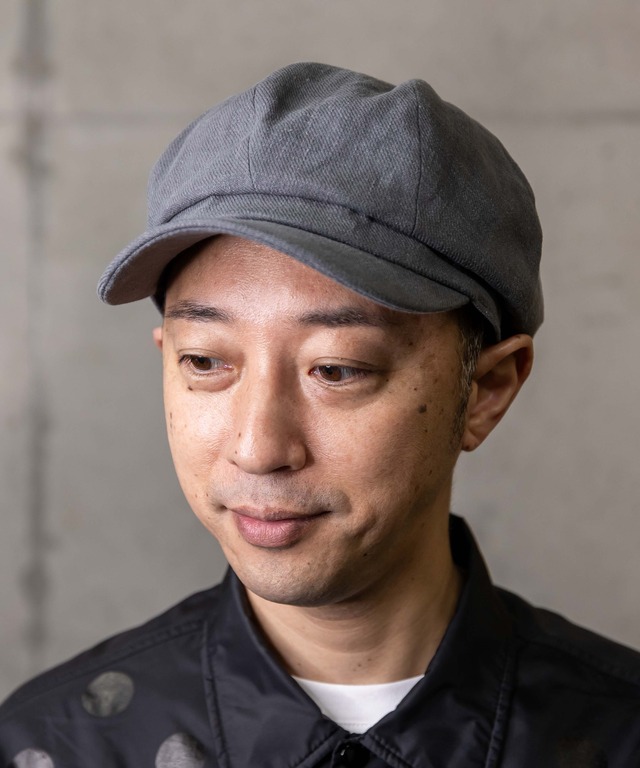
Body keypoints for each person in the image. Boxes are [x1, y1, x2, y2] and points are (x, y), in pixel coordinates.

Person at [1, 62, 638, 768]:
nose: (257, 447)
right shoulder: (54, 745)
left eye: (335, 369)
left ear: (486, 389)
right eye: (205, 361)